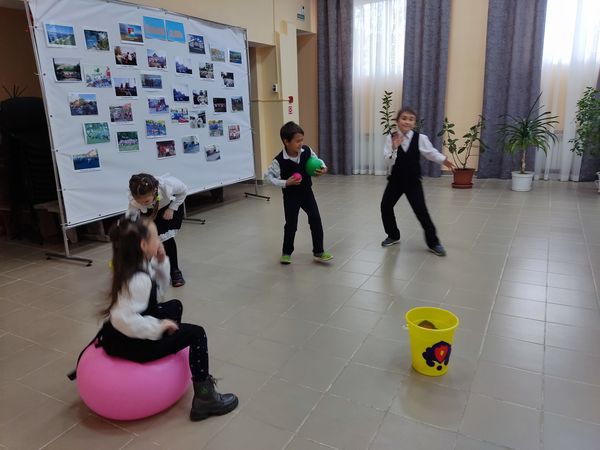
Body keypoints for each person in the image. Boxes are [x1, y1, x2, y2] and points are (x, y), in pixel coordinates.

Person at [70, 216, 238, 421]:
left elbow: (158, 292)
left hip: (131, 332)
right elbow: (123, 318)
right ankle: (205, 399)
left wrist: (160, 262)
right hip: (136, 344)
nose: (159, 240)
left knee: (175, 306)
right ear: (143, 245)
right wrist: (157, 327)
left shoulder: (134, 263)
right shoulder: (137, 279)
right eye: (156, 237)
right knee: (197, 334)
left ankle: (168, 345)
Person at [380, 107, 455, 256]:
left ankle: (434, 243)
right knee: (385, 206)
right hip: (395, 180)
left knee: (421, 211)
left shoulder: (421, 138)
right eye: (404, 118)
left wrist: (444, 160)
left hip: (413, 181)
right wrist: (394, 148)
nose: (407, 122)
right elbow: (387, 162)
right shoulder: (391, 137)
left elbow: (431, 153)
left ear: (414, 123)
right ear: (397, 121)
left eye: (411, 119)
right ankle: (393, 235)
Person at [264, 121, 333, 264]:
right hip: (291, 196)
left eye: (302, 140)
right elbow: (267, 177)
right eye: (297, 141)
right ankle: (286, 252)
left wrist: (323, 168)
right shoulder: (279, 161)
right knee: (291, 224)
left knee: (315, 219)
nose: (301, 143)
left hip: (307, 192)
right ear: (286, 141)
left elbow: (317, 160)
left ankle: (319, 251)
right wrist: (285, 183)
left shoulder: (306, 150)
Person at [128, 173, 187, 287]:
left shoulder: (167, 186)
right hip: (147, 213)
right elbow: (132, 214)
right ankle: (146, 272)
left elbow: (183, 191)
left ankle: (174, 270)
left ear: (154, 191)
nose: (141, 203)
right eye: (138, 201)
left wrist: (172, 208)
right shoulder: (136, 199)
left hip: (166, 209)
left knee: (167, 240)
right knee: (146, 242)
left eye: (145, 201)